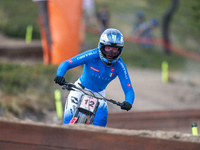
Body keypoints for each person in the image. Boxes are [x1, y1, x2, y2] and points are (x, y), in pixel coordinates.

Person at [54, 28, 135, 127]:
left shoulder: (120, 66)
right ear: (101, 46)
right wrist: (60, 75)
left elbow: (128, 90)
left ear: (120, 51)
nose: (110, 53)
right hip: (80, 88)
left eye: (115, 50)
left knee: (100, 128)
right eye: (108, 48)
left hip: (99, 94)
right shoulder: (92, 55)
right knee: (67, 120)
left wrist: (128, 102)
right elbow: (67, 63)